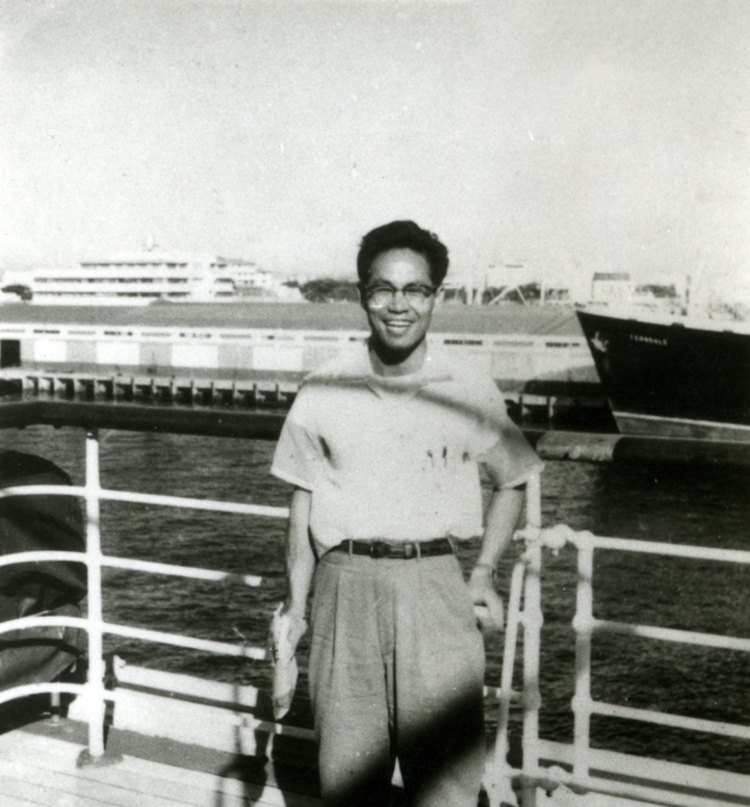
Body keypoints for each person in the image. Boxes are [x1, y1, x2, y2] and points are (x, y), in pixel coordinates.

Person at [270, 220, 543, 806]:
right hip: (342, 589)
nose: (399, 306)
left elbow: (514, 478)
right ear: (362, 295)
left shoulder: (465, 385)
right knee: (348, 782)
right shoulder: (324, 387)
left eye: (416, 290)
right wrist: (296, 608)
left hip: (434, 587)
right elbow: (302, 506)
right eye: (383, 289)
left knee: (444, 787)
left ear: (435, 296)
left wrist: (484, 572)